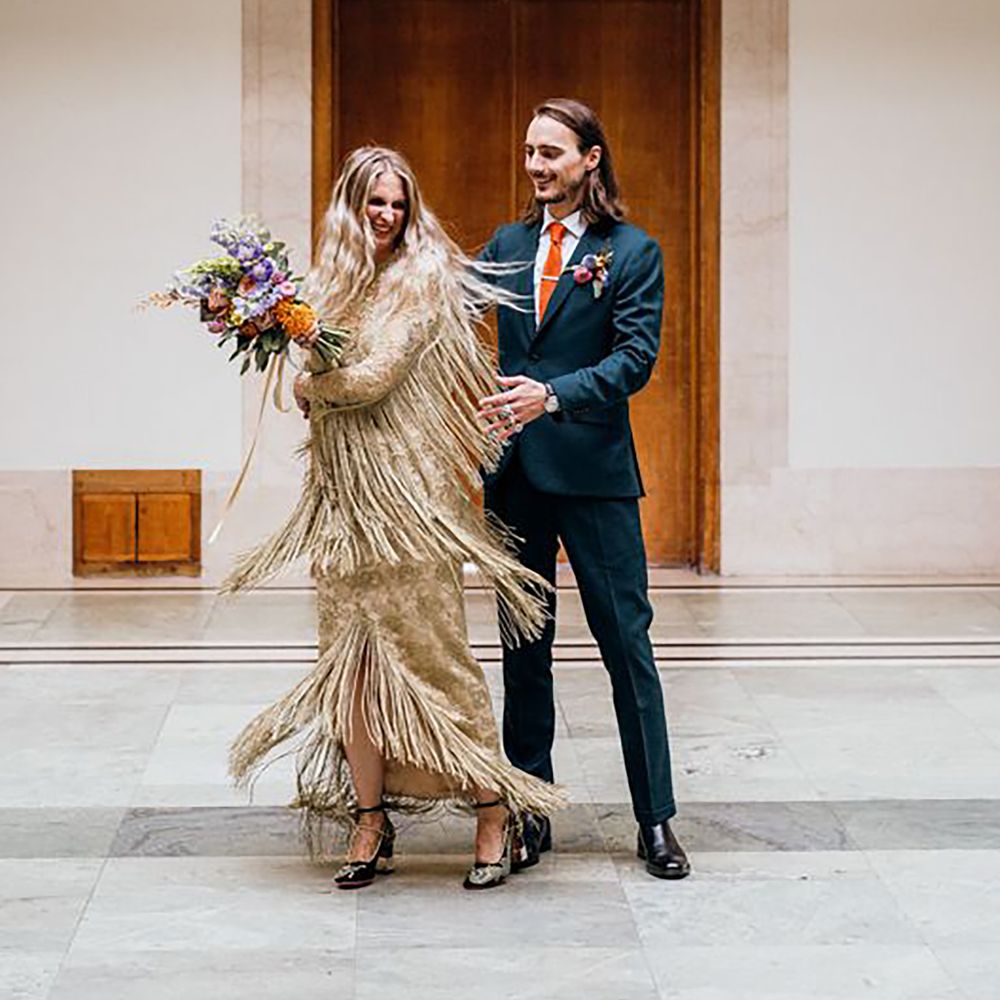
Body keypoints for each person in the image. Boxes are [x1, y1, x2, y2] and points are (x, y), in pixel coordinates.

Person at [220, 146, 564, 891]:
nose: (386, 217)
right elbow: (303, 376)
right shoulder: (324, 286)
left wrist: (318, 388)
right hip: (343, 507)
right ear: (350, 206)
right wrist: (288, 352)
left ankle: (492, 807)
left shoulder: (423, 278)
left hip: (409, 503)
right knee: (352, 671)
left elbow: (377, 376)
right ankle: (370, 820)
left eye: (397, 205)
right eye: (374, 203)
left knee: (434, 660)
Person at [479, 98, 690, 880]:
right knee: (522, 650)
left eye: (552, 153)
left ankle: (656, 820)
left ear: (591, 159)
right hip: (513, 479)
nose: (536, 166)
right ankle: (531, 812)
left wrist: (553, 394)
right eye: (529, 152)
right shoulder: (503, 247)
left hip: (596, 479)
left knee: (626, 648)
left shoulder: (631, 252)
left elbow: (635, 360)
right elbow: (429, 310)